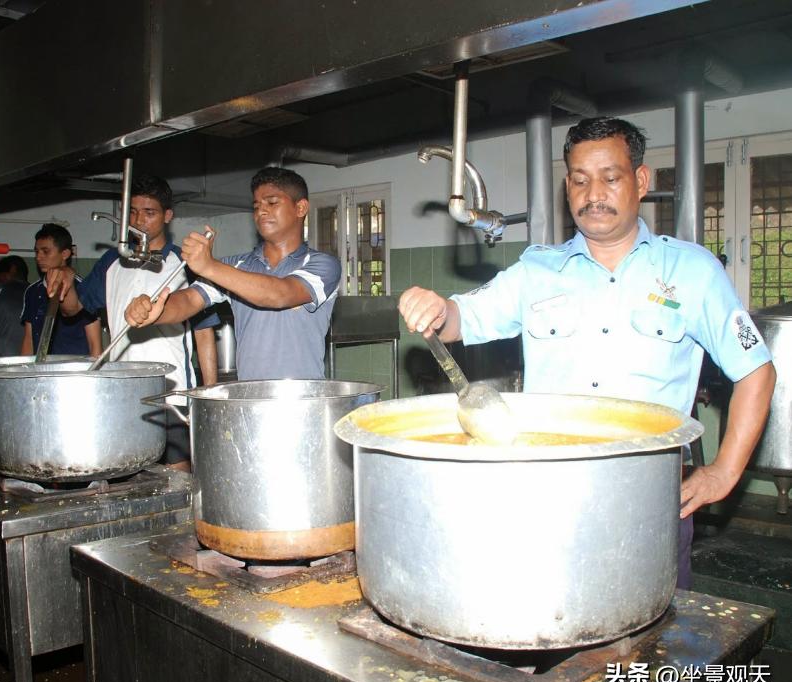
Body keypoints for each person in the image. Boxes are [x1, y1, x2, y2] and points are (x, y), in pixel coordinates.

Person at [398, 116, 776, 589]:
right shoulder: (536, 271)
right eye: (579, 180)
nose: (593, 193)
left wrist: (723, 471)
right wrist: (437, 309)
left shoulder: (692, 272)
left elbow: (756, 371)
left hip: (648, 496)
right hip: (547, 493)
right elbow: (461, 319)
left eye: (610, 178)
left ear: (640, 181)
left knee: (651, 625)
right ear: (567, 187)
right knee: (541, 612)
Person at [47, 175, 218, 471]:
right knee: (125, 474)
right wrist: (63, 277)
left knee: (176, 478)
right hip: (121, 391)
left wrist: (211, 395)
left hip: (171, 392)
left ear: (167, 215)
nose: (139, 221)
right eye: (134, 212)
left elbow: (204, 332)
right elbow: (74, 307)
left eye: (149, 213)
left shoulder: (184, 264)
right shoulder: (111, 261)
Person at [123, 167, 341, 381]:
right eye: (256, 206)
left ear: (300, 208)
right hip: (247, 397)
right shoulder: (235, 266)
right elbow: (189, 300)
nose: (261, 212)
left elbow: (279, 294)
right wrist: (155, 311)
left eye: (272, 203)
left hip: (304, 397)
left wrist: (209, 266)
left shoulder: (323, 265)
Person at [20, 224, 102, 357]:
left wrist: (93, 369)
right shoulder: (32, 291)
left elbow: (95, 344)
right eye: (37, 252)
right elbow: (29, 339)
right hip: (41, 367)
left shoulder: (84, 289)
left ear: (65, 254)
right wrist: (24, 368)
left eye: (45, 251)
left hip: (75, 367)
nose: (39, 257)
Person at [0, 255, 30, 356]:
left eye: (0, 276)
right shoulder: (34, 291)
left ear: (12, 270)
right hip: (30, 355)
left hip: (3, 356)